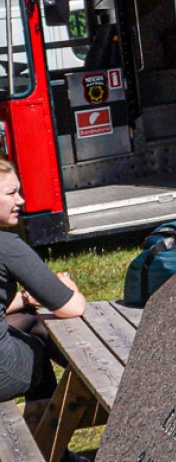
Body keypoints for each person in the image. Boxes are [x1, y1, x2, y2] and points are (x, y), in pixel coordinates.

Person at [0, 160, 84, 411]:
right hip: (3, 374)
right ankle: (51, 444)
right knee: (34, 348)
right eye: (11, 193)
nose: (21, 200)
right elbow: (71, 308)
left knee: (29, 320)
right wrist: (70, 286)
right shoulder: (7, 246)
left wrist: (25, 300)